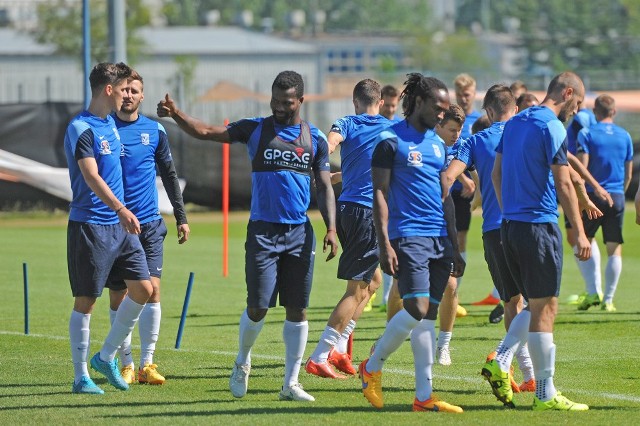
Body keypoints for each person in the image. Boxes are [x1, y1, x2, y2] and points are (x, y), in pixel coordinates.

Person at [157, 70, 338, 402]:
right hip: (263, 233)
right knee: (257, 307)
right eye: (275, 101)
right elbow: (207, 131)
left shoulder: (315, 138)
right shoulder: (255, 128)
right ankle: (242, 362)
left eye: (286, 102)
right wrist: (177, 114)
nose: (279, 107)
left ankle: (291, 383)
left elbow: (324, 185)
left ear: (300, 101)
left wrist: (330, 228)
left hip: (300, 234)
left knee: (297, 309)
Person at [485, 71, 591, 411]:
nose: (577, 109)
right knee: (546, 308)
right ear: (569, 93)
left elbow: (496, 174)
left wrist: (508, 212)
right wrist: (580, 231)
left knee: (533, 303)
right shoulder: (552, 126)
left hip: (510, 226)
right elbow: (563, 183)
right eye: (578, 102)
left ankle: (501, 358)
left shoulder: (515, 123)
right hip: (538, 226)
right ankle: (545, 393)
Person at [359, 73, 465, 413]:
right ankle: (372, 366)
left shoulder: (437, 144)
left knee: (427, 318)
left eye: (445, 109)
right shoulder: (390, 140)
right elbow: (379, 194)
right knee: (416, 309)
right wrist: (384, 243)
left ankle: (424, 397)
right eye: (438, 107)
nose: (441, 114)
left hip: (438, 240)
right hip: (407, 237)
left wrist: (453, 244)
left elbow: (444, 196)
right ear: (418, 102)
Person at [64, 62, 152, 394]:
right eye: (123, 89)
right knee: (87, 301)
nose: (127, 97)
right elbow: (90, 175)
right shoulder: (80, 128)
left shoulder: (110, 126)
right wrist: (120, 209)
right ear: (109, 90)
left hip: (120, 227)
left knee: (143, 289)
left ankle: (106, 356)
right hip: (91, 226)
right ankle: (80, 376)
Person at [442, 84, 535, 392]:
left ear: (489, 112)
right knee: (536, 301)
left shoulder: (476, 140)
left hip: (494, 230)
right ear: (516, 109)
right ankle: (513, 364)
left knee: (512, 302)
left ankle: (522, 371)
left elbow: (448, 176)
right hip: (528, 225)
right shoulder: (530, 132)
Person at [107, 70, 190, 385]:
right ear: (115, 93)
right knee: (120, 296)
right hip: (114, 228)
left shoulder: (155, 131)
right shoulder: (103, 129)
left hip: (150, 225)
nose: (128, 95)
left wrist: (181, 217)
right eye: (125, 90)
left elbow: (169, 175)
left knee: (152, 291)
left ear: (142, 97)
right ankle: (124, 363)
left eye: (135, 91)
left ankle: (147, 364)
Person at [305, 79, 391, 379]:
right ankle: (319, 355)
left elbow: (330, 143)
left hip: (347, 210)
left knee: (374, 282)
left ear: (355, 102)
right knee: (355, 291)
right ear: (380, 102)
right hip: (367, 213)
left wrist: (326, 168)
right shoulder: (389, 129)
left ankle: (340, 348)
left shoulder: (346, 122)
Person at [575, 94, 633, 312]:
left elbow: (582, 168)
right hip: (617, 196)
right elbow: (628, 173)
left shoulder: (587, 133)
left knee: (584, 242)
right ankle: (608, 299)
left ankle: (592, 291)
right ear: (614, 112)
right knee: (614, 249)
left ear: (594, 112)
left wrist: (581, 196)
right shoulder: (625, 135)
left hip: (593, 194)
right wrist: (620, 193)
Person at [433, 103, 466, 366]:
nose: (456, 135)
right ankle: (389, 336)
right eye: (452, 129)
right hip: (417, 218)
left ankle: (443, 345)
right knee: (401, 289)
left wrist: (467, 180)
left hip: (445, 215)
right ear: (439, 126)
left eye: (459, 130)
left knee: (451, 284)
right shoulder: (423, 143)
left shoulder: (459, 146)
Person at [452, 73, 480, 300]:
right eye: (460, 94)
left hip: (465, 192)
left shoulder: (479, 121)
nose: (463, 98)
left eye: (467, 94)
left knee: (461, 239)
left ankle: (455, 294)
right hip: (447, 188)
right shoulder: (449, 120)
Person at [377, 84, 402, 312]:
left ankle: (387, 294)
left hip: (392, 193)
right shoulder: (377, 128)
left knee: (389, 243)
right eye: (388, 105)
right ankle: (373, 289)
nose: (391, 109)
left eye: (395, 105)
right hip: (372, 192)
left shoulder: (398, 128)